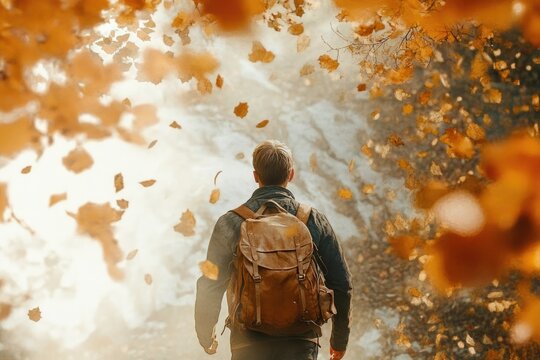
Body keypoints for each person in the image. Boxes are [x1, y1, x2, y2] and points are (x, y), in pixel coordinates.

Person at [195, 140, 352, 360]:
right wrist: (339, 340)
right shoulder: (312, 220)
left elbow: (211, 284)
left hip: (247, 343)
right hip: (302, 341)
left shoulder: (231, 222)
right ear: (291, 174)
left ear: (255, 176)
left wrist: (206, 335)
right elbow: (341, 283)